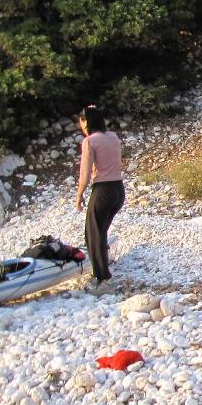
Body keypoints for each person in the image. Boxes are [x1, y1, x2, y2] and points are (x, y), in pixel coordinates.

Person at [74, 104, 124, 291]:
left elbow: (85, 174)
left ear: (87, 122)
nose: (81, 127)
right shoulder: (113, 137)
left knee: (92, 234)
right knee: (101, 231)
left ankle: (103, 279)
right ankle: (104, 268)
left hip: (102, 190)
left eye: (81, 123)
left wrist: (79, 196)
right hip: (119, 190)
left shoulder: (90, 141)